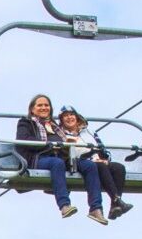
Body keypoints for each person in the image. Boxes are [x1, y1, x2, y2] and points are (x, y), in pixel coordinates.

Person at [15, 94, 105, 224]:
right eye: (39, 105)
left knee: (89, 166)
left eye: (46, 105)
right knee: (57, 164)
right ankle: (64, 205)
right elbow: (23, 141)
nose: (44, 108)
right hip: (39, 158)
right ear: (32, 109)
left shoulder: (55, 126)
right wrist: (47, 144)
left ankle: (96, 208)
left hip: (61, 157)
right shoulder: (26, 123)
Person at [58, 105, 134, 221]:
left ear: (77, 117)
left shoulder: (89, 132)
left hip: (97, 159)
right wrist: (90, 157)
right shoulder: (61, 134)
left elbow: (101, 148)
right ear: (62, 120)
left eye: (71, 115)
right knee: (99, 166)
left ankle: (115, 205)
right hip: (79, 161)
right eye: (65, 116)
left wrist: (104, 158)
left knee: (119, 168)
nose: (69, 118)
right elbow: (64, 153)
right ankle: (115, 200)